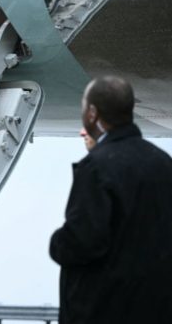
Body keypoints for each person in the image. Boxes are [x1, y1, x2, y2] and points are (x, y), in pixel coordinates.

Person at [50, 76, 172, 323]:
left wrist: (58, 242)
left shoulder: (96, 167)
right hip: (157, 309)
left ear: (92, 113)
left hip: (104, 310)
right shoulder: (163, 162)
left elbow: (83, 242)